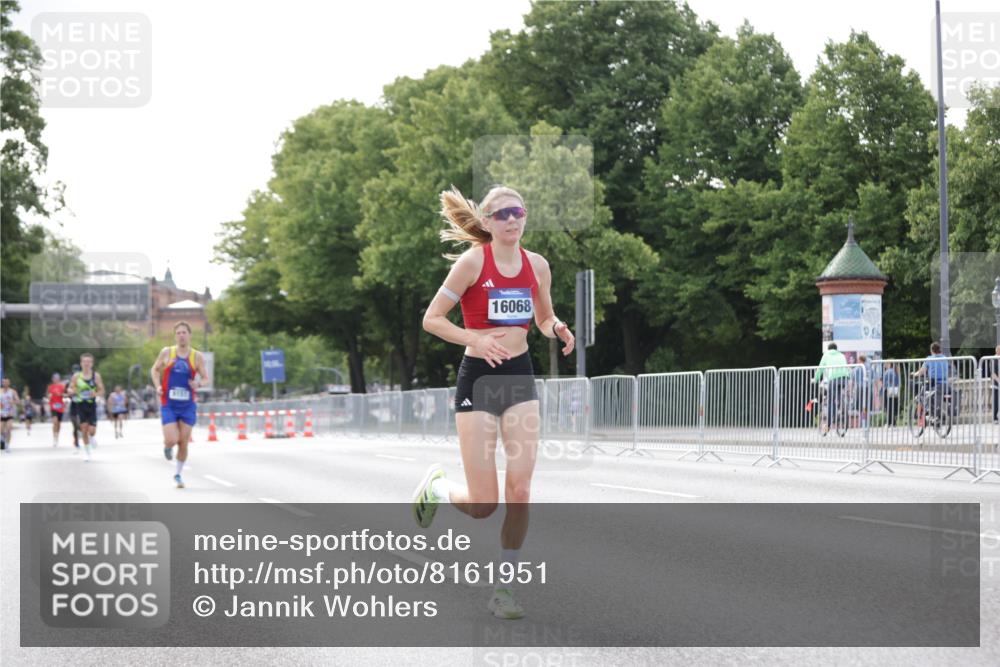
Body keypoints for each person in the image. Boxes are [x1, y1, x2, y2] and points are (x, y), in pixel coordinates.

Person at [413, 185, 575, 620]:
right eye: (501, 214)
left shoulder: (537, 266)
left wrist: (556, 326)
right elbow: (432, 320)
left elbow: (541, 317)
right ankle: (438, 488)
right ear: (486, 223)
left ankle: (504, 589)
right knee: (484, 504)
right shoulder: (472, 263)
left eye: (517, 211)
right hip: (479, 380)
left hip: (519, 376)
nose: (511, 219)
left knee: (520, 491)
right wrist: (476, 339)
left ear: (525, 216)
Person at [151, 321, 207, 489]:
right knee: (172, 439)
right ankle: (168, 446)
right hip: (169, 403)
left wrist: (199, 384)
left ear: (189, 335)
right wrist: (158, 386)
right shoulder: (167, 352)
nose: (181, 335)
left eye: (184, 332)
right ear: (175, 336)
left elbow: (205, 378)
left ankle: (178, 474)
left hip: (188, 405)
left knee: (183, 442)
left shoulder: (196, 356)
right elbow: (154, 370)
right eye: (178, 333)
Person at [66, 354, 105, 461]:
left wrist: (95, 394)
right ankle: (88, 453)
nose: (86, 364)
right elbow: (69, 389)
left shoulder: (96, 376)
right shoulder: (76, 376)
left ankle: (92, 437)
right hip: (80, 405)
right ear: (81, 363)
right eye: (84, 362)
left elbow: (102, 390)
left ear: (92, 364)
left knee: (92, 430)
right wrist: (71, 391)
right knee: (83, 429)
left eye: (89, 362)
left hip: (91, 405)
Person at [814, 343, 849, 433]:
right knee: (837, 394)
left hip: (833, 379)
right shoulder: (842, 355)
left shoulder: (826, 355)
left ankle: (829, 424)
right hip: (844, 378)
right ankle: (841, 406)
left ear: (828, 349)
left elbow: (820, 369)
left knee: (830, 401)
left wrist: (816, 379)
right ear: (836, 349)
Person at [911, 341, 950, 418]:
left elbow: (922, 371)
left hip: (934, 383)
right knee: (929, 395)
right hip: (945, 384)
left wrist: (914, 374)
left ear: (932, 350)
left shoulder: (929, 359)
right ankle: (933, 412)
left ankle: (927, 410)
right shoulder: (945, 358)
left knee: (921, 395)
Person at [46, 373, 69, 447]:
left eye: (57, 378)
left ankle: (57, 435)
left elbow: (66, 394)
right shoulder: (50, 387)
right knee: (55, 422)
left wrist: (61, 395)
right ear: (52, 379)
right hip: (53, 406)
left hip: (60, 406)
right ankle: (54, 438)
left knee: (59, 423)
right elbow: (48, 395)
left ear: (59, 379)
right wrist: (49, 396)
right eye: (54, 378)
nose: (55, 379)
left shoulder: (62, 386)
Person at [1, 377, 20, 451]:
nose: (5, 383)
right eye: (4, 382)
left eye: (6, 382)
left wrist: (13, 402)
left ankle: (7, 445)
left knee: (9, 429)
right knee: (1, 430)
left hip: (9, 413)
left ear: (9, 383)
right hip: (1, 413)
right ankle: (3, 438)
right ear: (2, 383)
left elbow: (18, 401)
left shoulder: (12, 391)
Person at [882, 362, 900, 427]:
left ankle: (888, 422)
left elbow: (884, 383)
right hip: (895, 390)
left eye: (886, 364)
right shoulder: (896, 372)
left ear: (889, 364)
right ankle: (893, 422)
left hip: (888, 389)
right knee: (893, 406)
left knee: (888, 407)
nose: (885, 365)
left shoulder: (887, 372)